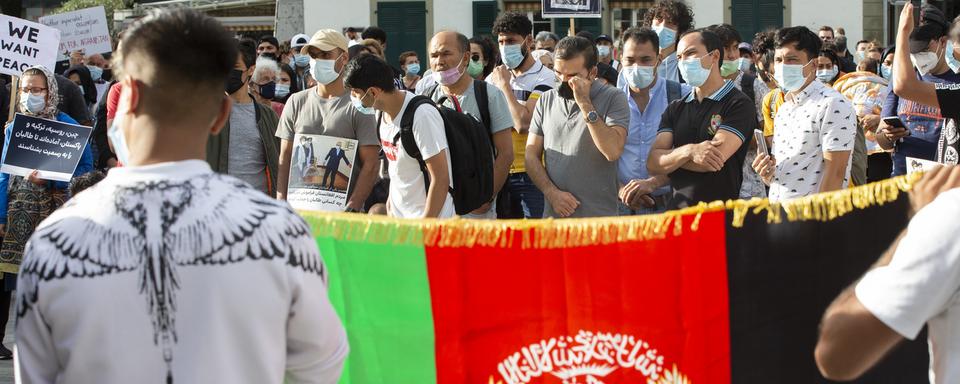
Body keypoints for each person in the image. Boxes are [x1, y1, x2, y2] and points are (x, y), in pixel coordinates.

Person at [14, 9, 348, 383]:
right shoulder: (282, 235)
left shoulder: (55, 242)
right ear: (222, 113)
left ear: (129, 97)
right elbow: (321, 367)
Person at [1, 65, 94, 361]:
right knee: (12, 283)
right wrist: (1, 215)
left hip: (56, 217)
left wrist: (52, 178)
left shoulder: (67, 126)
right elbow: (3, 174)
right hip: (17, 218)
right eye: (26, 90)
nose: (31, 95)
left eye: (37, 90)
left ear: (50, 92)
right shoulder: (14, 128)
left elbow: (85, 170)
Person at [647, 28, 756, 209]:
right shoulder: (676, 107)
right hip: (677, 217)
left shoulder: (738, 104)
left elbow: (712, 160)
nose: (683, 62)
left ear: (714, 57)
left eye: (690, 54)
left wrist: (670, 159)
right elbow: (652, 162)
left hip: (719, 217)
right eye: (680, 57)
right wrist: (689, 151)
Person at [276, 29, 379, 213]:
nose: (318, 60)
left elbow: (371, 164)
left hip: (343, 220)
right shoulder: (296, 101)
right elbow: (285, 157)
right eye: (314, 55)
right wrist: (281, 203)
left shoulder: (359, 104)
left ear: (344, 58)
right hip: (299, 215)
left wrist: (352, 207)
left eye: (325, 54)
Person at [525, 36, 628, 218]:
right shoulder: (546, 99)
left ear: (592, 72)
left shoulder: (614, 97)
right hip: (554, 218)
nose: (563, 80)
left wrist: (585, 104)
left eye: (572, 76)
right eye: (557, 73)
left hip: (599, 221)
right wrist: (551, 193)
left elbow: (612, 151)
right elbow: (531, 156)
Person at [344, 53, 456, 218]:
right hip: (401, 222)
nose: (352, 98)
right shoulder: (381, 115)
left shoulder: (421, 115)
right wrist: (391, 204)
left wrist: (425, 225)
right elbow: (398, 170)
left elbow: (440, 178)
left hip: (428, 224)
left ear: (373, 92)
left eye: (355, 93)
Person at [751, 26, 856, 202]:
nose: (783, 66)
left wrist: (816, 223)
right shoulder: (784, 108)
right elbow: (784, 170)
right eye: (778, 60)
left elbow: (836, 174)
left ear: (813, 64)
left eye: (791, 59)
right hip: (780, 215)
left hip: (812, 221)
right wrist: (767, 173)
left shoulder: (832, 104)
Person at [423, 31, 514, 219]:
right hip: (438, 206)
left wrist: (485, 197)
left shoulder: (490, 95)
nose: (439, 61)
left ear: (465, 58)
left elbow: (505, 154)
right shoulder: (426, 99)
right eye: (434, 55)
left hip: (477, 211)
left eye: (446, 53)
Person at [876, 3, 958, 176]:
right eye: (911, 51)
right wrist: (888, 135)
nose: (918, 57)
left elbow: (904, 87)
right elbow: (882, 139)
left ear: (943, 41)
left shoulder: (956, 83)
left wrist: (902, 31)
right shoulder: (901, 75)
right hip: (903, 180)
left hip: (945, 185)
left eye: (924, 50)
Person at [488, 12, 556, 219]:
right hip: (500, 170)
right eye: (501, 41)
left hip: (532, 172)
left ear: (528, 41)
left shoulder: (546, 77)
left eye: (511, 41)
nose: (505, 47)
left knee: (534, 240)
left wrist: (505, 87)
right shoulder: (494, 77)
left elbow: (523, 122)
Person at [616, 27, 690, 215]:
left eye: (645, 60)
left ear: (659, 58)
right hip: (622, 207)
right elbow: (600, 156)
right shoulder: (611, 101)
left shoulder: (681, 95)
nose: (637, 67)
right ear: (620, 58)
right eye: (630, 60)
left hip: (670, 205)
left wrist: (654, 183)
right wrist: (622, 190)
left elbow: (689, 151)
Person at [206, 39, 280, 196]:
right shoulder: (207, 113)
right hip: (218, 204)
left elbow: (279, 163)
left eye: (235, 67)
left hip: (257, 207)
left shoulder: (268, 117)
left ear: (251, 70)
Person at [706, 23, 770, 200]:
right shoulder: (699, 88)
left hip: (749, 186)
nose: (733, 55)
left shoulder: (753, 86)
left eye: (735, 48)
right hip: (710, 185)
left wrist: (733, 137)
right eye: (726, 48)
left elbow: (769, 135)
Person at [642, 0, 695, 83]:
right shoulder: (638, 62)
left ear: (680, 30)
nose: (663, 26)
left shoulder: (688, 65)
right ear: (650, 23)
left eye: (670, 22)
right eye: (659, 20)